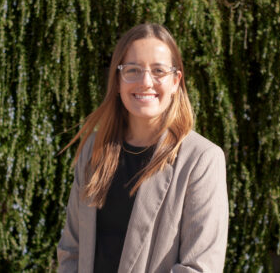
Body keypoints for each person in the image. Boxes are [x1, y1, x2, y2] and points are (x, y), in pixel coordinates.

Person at [57, 23, 229, 273]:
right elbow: (71, 251)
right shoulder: (94, 150)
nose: (145, 81)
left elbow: (199, 267)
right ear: (117, 80)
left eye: (158, 71)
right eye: (133, 70)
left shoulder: (201, 159)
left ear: (175, 81)